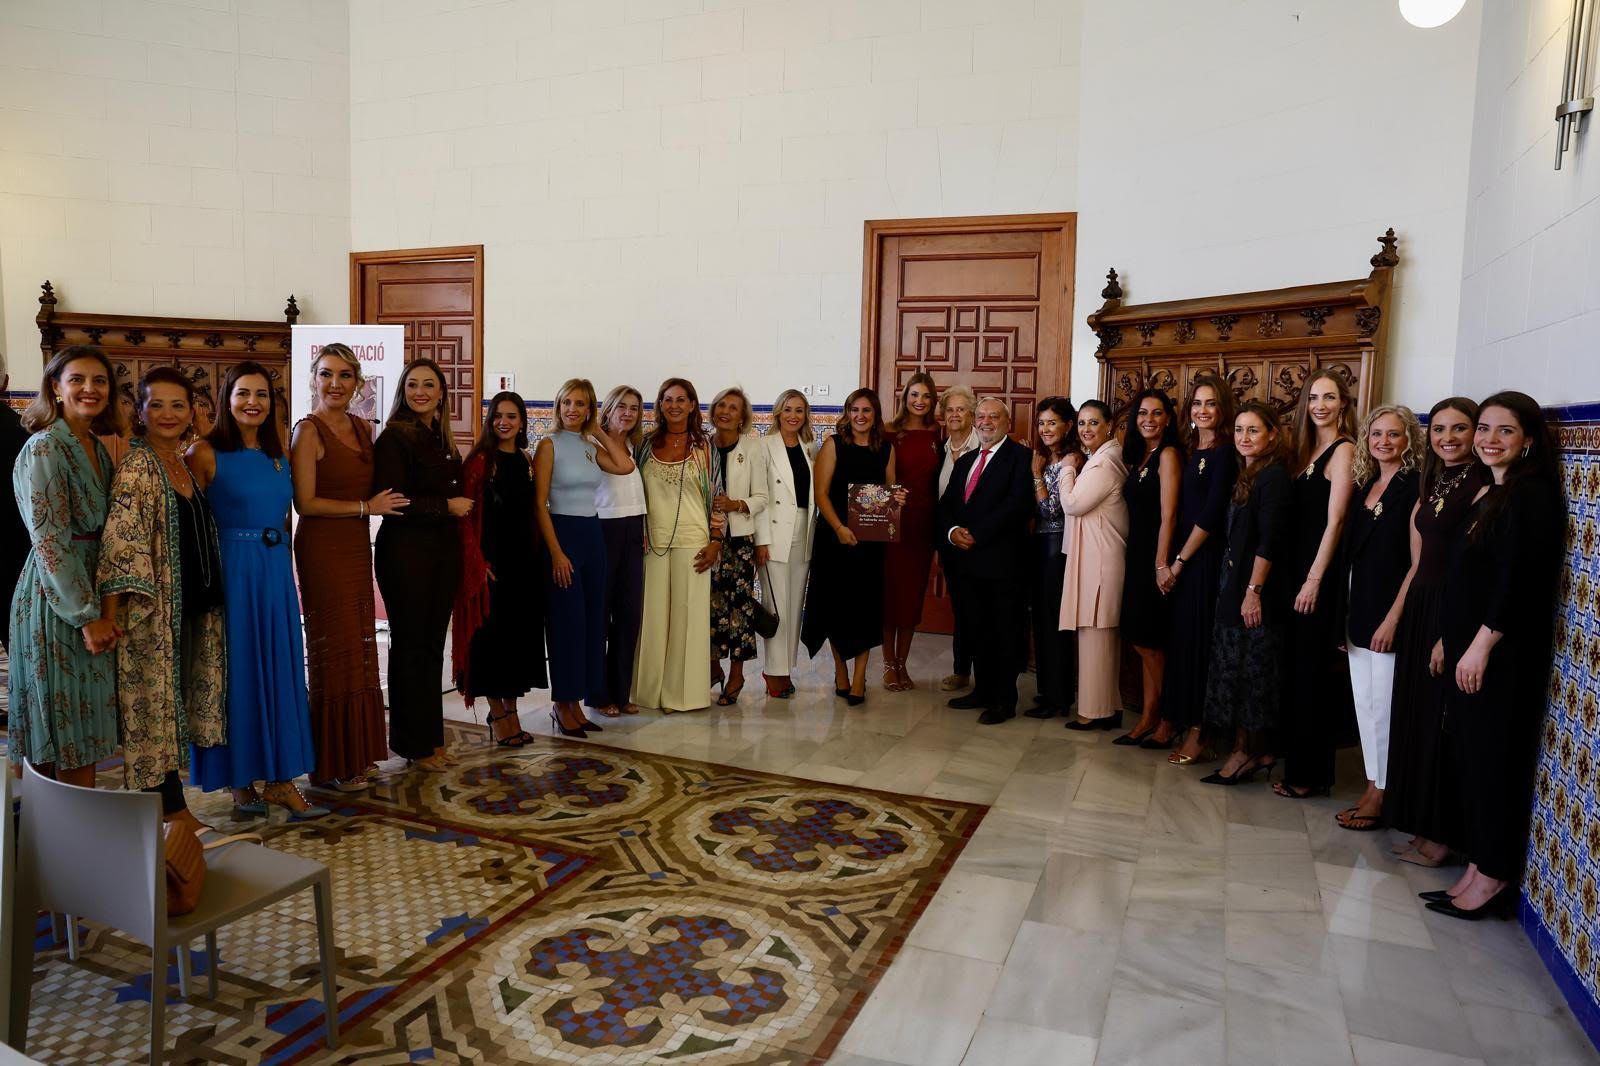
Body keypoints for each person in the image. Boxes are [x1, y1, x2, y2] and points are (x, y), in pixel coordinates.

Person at [1425, 391, 1564, 920]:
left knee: (1493, 765)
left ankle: (1494, 876)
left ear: (1527, 439)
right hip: (1469, 648)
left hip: (1500, 659)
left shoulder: (1531, 495)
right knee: (1471, 760)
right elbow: (1468, 577)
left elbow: (1517, 582)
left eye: (1504, 430)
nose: (1488, 439)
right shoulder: (1496, 491)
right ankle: (1476, 868)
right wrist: (1449, 639)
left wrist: (1481, 645)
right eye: (1483, 428)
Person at [188, 361, 325, 817]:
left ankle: (281, 780)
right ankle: (240, 780)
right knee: (238, 672)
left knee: (279, 669)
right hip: (232, 572)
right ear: (227, 399)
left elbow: (285, 513)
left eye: (262, 394)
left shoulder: (278, 454)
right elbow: (189, 524)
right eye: (243, 393)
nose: (253, 402)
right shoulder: (204, 452)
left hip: (275, 572)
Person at [97, 368, 226, 828]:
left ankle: (174, 808)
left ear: (192, 412)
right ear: (141, 411)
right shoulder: (138, 467)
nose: (168, 414)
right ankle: (168, 812)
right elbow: (121, 545)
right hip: (151, 613)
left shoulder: (181, 463)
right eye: (157, 405)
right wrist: (111, 616)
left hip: (188, 605)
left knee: (172, 709)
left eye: (178, 405)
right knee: (152, 711)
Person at [7, 346, 124, 786]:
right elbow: (49, 540)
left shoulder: (94, 445)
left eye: (99, 381)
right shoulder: (45, 447)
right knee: (60, 724)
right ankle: (56, 825)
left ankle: (74, 821)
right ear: (55, 388)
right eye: (77, 379)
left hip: (90, 587)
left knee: (83, 722)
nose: (90, 389)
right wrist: (86, 615)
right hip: (57, 598)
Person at [290, 343, 404, 791]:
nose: (334, 384)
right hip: (322, 547)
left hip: (356, 545)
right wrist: (365, 508)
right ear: (313, 379)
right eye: (326, 374)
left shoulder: (363, 428)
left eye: (344, 375)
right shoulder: (308, 431)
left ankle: (358, 752)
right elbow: (305, 502)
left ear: (357, 382)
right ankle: (332, 762)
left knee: (358, 646)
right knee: (334, 651)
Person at [1383, 398, 1488, 866]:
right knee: (1417, 716)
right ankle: (1422, 826)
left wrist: (1451, 633)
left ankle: (1442, 837)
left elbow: (1472, 568)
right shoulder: (1439, 477)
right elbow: (1419, 558)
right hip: (1422, 606)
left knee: (1438, 726)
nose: (1447, 437)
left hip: (1449, 609)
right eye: (1439, 429)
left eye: (1459, 428)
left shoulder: (1482, 485)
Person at [372, 358, 470, 773]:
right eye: (413, 384)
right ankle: (412, 743)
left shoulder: (441, 438)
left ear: (442, 393)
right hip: (406, 553)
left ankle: (430, 738)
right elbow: (393, 502)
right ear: (403, 391)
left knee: (431, 648)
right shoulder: (394, 438)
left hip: (441, 552)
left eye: (429, 385)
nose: (420, 392)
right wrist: (445, 506)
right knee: (411, 648)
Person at [1335, 404, 1424, 831]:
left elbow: (1418, 564)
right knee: (1365, 706)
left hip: (1389, 614)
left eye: (1393, 434)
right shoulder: (1367, 483)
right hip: (1359, 610)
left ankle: (1385, 793)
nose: (1383, 442)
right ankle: (1373, 784)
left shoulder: (1414, 488)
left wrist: (1392, 620)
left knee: (1385, 709)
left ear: (1409, 440)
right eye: (1376, 434)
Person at [536, 378, 636, 735]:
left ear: (590, 409)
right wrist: (555, 552)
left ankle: (577, 703)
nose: (572, 409)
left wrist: (598, 432)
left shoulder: (590, 445)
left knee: (593, 624)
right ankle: (561, 703)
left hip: (593, 535)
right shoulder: (548, 444)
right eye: (567, 402)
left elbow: (625, 466)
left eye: (580, 404)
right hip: (563, 536)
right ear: (558, 406)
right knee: (567, 623)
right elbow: (540, 503)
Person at [1275, 371, 1357, 799]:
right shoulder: (1306, 449)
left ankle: (1309, 775)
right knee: (1295, 672)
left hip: (1317, 577)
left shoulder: (1344, 450)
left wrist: (1313, 579)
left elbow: (1336, 521)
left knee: (1312, 676)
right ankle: (1296, 765)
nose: (1320, 405)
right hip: (1295, 573)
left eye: (1329, 397)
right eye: (1313, 398)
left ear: (1343, 403)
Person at [1201, 401, 1291, 786]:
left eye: (1253, 430)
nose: (1244, 437)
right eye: (1239, 430)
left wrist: (1254, 591)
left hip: (1254, 592)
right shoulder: (1250, 473)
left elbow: (1270, 541)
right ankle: (1253, 751)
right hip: (1233, 585)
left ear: (1272, 435)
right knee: (1232, 671)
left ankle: (1246, 752)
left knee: (1250, 677)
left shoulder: (1273, 477)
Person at [453, 392, 547, 745]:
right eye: (497, 416)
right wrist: (477, 563)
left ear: (522, 422)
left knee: (516, 642)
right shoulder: (481, 461)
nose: (504, 422)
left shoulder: (525, 459)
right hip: (491, 567)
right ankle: (498, 712)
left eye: (511, 416)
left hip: (523, 565)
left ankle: (512, 710)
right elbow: (463, 519)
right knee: (492, 643)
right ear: (489, 420)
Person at [937, 397, 1035, 724]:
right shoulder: (966, 461)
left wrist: (977, 533)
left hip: (1003, 562)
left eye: (994, 417)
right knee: (975, 627)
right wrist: (952, 531)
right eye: (981, 416)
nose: (986, 422)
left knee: (1004, 631)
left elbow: (1017, 505)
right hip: (966, 562)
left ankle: (1004, 700)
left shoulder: (1021, 457)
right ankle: (982, 690)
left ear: (1007, 422)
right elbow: (947, 504)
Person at [802, 387, 898, 705]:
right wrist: (840, 528)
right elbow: (820, 494)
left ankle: (859, 678)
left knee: (865, 610)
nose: (860, 416)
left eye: (866, 410)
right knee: (835, 608)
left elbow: (889, 492)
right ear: (847, 413)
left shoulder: (886, 448)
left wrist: (898, 498)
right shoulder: (834, 444)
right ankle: (841, 671)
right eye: (854, 410)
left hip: (870, 543)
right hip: (835, 538)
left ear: (875, 415)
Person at [1161, 375, 1238, 766]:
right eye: (1197, 403)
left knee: (1200, 646)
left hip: (1203, 559)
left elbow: (1210, 515)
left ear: (1222, 409)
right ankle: (1181, 719)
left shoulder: (1225, 452)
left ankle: (1201, 731)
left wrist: (1179, 561)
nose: (1203, 410)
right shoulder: (1193, 449)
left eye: (1210, 403)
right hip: (1186, 558)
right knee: (1184, 643)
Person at [633, 378, 717, 713]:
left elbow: (718, 496)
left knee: (687, 619)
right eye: (668, 399)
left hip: (694, 542)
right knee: (652, 617)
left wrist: (716, 541)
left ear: (693, 404)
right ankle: (648, 692)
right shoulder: (645, 444)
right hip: (652, 542)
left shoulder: (705, 446)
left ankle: (682, 695)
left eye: (682, 400)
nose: (675, 406)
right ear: (660, 405)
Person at [1116, 388, 1184, 746]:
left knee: (1151, 643)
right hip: (1136, 556)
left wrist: (1161, 563)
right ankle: (1149, 716)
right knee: (1143, 641)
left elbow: (1169, 514)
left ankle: (1169, 719)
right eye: (1143, 413)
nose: (1149, 419)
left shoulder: (1168, 455)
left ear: (1168, 419)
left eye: (1157, 413)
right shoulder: (1140, 456)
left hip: (1154, 560)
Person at [1059, 399, 1130, 730]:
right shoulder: (1102, 458)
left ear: (1109, 425)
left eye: (1093, 423)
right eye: (1082, 423)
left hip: (1100, 560)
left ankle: (1092, 712)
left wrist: (1066, 468)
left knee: (1095, 634)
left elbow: (1072, 504)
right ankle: (1108, 706)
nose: (1086, 429)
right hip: (1098, 556)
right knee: (1098, 636)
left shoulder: (1104, 464)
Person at [707, 387, 768, 706]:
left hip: (740, 540)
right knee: (710, 606)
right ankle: (713, 666)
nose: (726, 412)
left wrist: (736, 504)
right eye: (721, 405)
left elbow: (762, 497)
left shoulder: (752, 447)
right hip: (705, 538)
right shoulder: (703, 445)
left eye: (733, 407)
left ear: (742, 416)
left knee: (740, 609)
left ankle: (737, 674)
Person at [755, 389, 816, 699]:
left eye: (799, 410)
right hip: (774, 533)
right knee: (775, 605)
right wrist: (761, 540)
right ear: (778, 412)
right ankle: (773, 671)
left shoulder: (810, 447)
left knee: (794, 605)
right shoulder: (763, 446)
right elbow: (759, 496)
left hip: (804, 532)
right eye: (788, 409)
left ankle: (785, 669)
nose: (793, 415)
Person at [881, 372, 941, 691]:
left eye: (926, 396)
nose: (920, 401)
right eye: (915, 395)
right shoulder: (889, 431)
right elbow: (878, 476)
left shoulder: (937, 432)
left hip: (924, 522)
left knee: (913, 595)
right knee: (891, 593)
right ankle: (888, 663)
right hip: (895, 521)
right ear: (905, 398)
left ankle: (903, 663)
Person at [591, 385, 647, 717]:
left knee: (628, 615)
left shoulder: (635, 446)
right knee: (600, 616)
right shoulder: (592, 443)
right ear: (608, 408)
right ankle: (599, 694)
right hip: (604, 529)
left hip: (633, 530)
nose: (628, 413)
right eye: (621, 406)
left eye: (634, 408)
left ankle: (621, 691)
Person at [1025, 396, 1079, 720]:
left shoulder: (1071, 459)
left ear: (1068, 425)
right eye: (1041, 423)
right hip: (1041, 545)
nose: (1045, 429)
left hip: (1057, 547)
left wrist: (1035, 475)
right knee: (1042, 620)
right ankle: (1047, 691)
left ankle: (1059, 697)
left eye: (1052, 422)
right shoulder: (1049, 457)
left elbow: (1051, 510)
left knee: (1055, 622)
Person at [935, 384, 979, 692]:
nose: (954, 415)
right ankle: (961, 670)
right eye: (949, 409)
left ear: (972, 414)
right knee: (961, 608)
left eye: (961, 409)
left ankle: (987, 675)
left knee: (980, 609)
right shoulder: (939, 449)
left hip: (979, 541)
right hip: (950, 540)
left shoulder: (984, 446)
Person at [0, 359, 31, 732]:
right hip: (14, 557)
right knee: (19, 651)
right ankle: (23, 720)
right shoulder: (21, 433)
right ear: (6, 382)